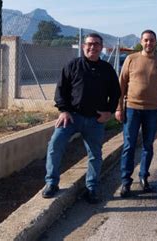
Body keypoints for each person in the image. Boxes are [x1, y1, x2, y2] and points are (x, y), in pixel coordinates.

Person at [42, 33, 121, 204]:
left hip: (95, 120)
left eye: (96, 44)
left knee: (95, 155)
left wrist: (109, 111)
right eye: (89, 44)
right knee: (55, 145)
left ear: (101, 47)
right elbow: (61, 90)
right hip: (71, 118)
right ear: (83, 46)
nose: (92, 47)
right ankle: (51, 183)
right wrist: (63, 111)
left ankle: (92, 188)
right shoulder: (73, 65)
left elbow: (116, 93)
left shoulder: (107, 69)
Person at [115, 29, 157, 198]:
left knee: (148, 146)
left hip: (152, 111)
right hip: (132, 109)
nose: (149, 43)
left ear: (156, 42)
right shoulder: (131, 59)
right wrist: (119, 108)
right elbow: (121, 85)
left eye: (152, 40)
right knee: (129, 146)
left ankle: (144, 178)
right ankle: (126, 182)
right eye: (146, 40)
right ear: (141, 41)